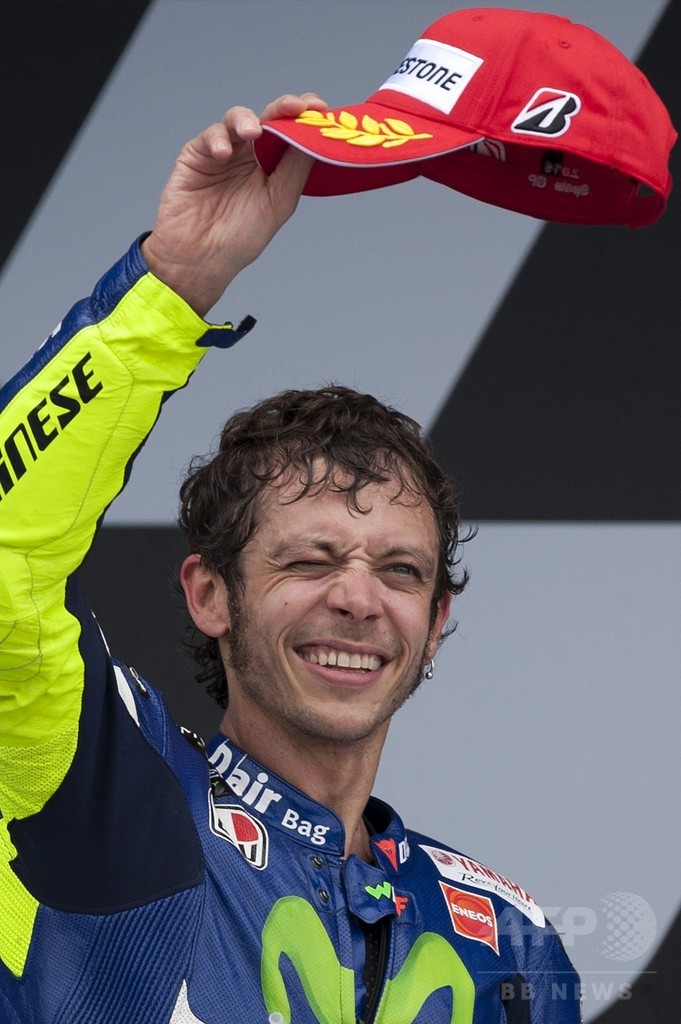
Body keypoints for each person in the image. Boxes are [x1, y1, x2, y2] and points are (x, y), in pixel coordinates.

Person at [0, 94, 580, 1023]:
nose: (357, 598)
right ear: (210, 594)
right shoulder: (110, 798)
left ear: (435, 623)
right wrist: (173, 285)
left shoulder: (507, 941)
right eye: (310, 561)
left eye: (400, 571)